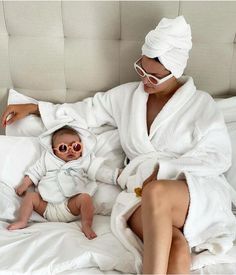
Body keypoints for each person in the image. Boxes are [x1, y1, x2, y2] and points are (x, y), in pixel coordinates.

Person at [2, 16, 236, 274]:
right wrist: (35, 108)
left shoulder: (201, 105)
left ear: (176, 71)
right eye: (141, 70)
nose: (145, 81)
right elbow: (85, 112)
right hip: (138, 195)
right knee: (177, 245)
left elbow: (219, 156)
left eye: (154, 77)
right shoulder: (127, 97)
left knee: (156, 191)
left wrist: (165, 170)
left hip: (191, 191)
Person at [7, 125, 120, 240]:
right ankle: (22, 221)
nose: (70, 150)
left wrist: (116, 176)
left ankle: (86, 224)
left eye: (76, 147)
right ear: (53, 150)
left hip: (70, 206)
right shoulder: (48, 159)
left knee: (85, 198)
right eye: (63, 148)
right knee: (31, 196)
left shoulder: (84, 161)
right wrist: (24, 184)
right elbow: (35, 172)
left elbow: (99, 171)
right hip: (47, 207)